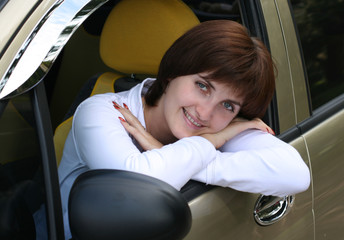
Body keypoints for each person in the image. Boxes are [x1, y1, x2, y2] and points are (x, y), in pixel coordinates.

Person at [58, 20, 310, 239]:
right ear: (173, 72)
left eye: (227, 104)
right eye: (202, 86)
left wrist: (196, 155)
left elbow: (296, 174)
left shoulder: (226, 125)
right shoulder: (101, 111)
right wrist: (210, 142)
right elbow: (137, 188)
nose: (205, 113)